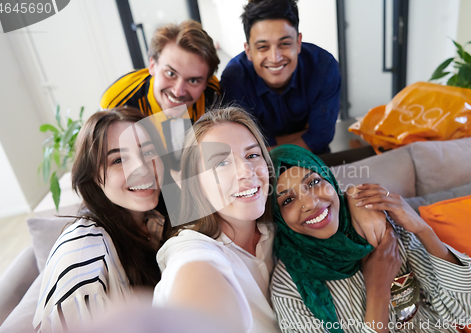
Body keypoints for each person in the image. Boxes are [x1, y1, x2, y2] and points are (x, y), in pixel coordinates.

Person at [269, 144, 471, 333]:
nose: (310, 203)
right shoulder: (289, 289)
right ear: (277, 216)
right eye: (288, 200)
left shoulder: (384, 229)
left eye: (314, 183)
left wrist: (423, 230)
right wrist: (378, 289)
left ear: (330, 180)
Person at [33, 107, 175, 332]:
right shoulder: (84, 255)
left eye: (148, 152)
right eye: (118, 160)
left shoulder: (154, 219)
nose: (142, 168)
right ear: (92, 177)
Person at [153, 107, 281, 332]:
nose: (246, 171)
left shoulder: (276, 229)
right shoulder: (192, 251)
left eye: (252, 155)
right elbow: (193, 278)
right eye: (221, 163)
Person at [220, 0, 341, 154]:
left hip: (311, 157)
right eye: (263, 47)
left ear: (298, 42)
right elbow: (241, 145)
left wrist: (263, 144)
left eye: (284, 44)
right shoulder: (234, 80)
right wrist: (305, 135)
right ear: (248, 51)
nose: (275, 58)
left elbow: (321, 137)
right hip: (260, 167)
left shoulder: (324, 67)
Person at [101, 20, 221, 170]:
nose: (178, 91)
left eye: (193, 80)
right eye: (170, 73)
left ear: (205, 83)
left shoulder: (214, 94)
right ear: (152, 65)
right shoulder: (118, 101)